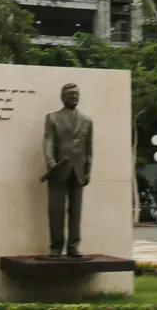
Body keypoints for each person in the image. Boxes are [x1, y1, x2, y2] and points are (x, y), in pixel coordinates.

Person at [42, 82, 93, 257]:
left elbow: (89, 148)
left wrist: (88, 170)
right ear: (63, 97)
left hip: (78, 171)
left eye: (76, 95)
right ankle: (56, 247)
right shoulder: (52, 118)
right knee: (56, 211)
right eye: (71, 95)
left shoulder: (87, 120)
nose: (74, 98)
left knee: (76, 211)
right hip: (59, 169)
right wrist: (50, 162)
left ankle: (73, 246)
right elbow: (48, 141)